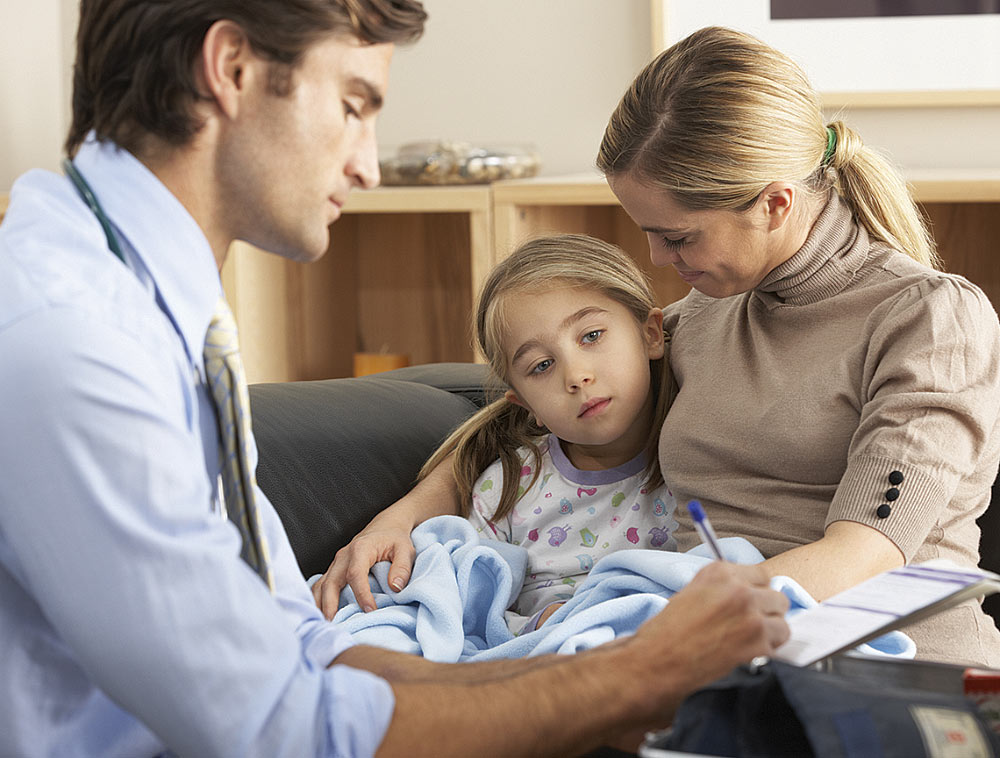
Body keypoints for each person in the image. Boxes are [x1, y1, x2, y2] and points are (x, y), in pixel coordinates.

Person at [0, 4, 791, 756]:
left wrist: (567, 672)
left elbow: (304, 649)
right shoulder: (72, 349)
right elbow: (289, 733)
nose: (369, 166)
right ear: (231, 68)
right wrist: (641, 672)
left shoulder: (152, 310)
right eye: (353, 104)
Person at [316, 26, 1000, 668]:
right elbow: (521, 421)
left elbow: (865, 552)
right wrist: (400, 519)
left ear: (775, 204)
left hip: (889, 668)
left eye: (678, 236)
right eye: (645, 230)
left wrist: (655, 637)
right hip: (714, 656)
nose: (654, 256)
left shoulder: (930, 321)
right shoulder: (705, 317)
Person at [421, 234, 678, 633]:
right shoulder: (504, 492)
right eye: (542, 365)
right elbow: (471, 609)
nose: (576, 377)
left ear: (650, 334)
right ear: (526, 405)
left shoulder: (698, 457)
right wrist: (537, 624)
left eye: (591, 336)